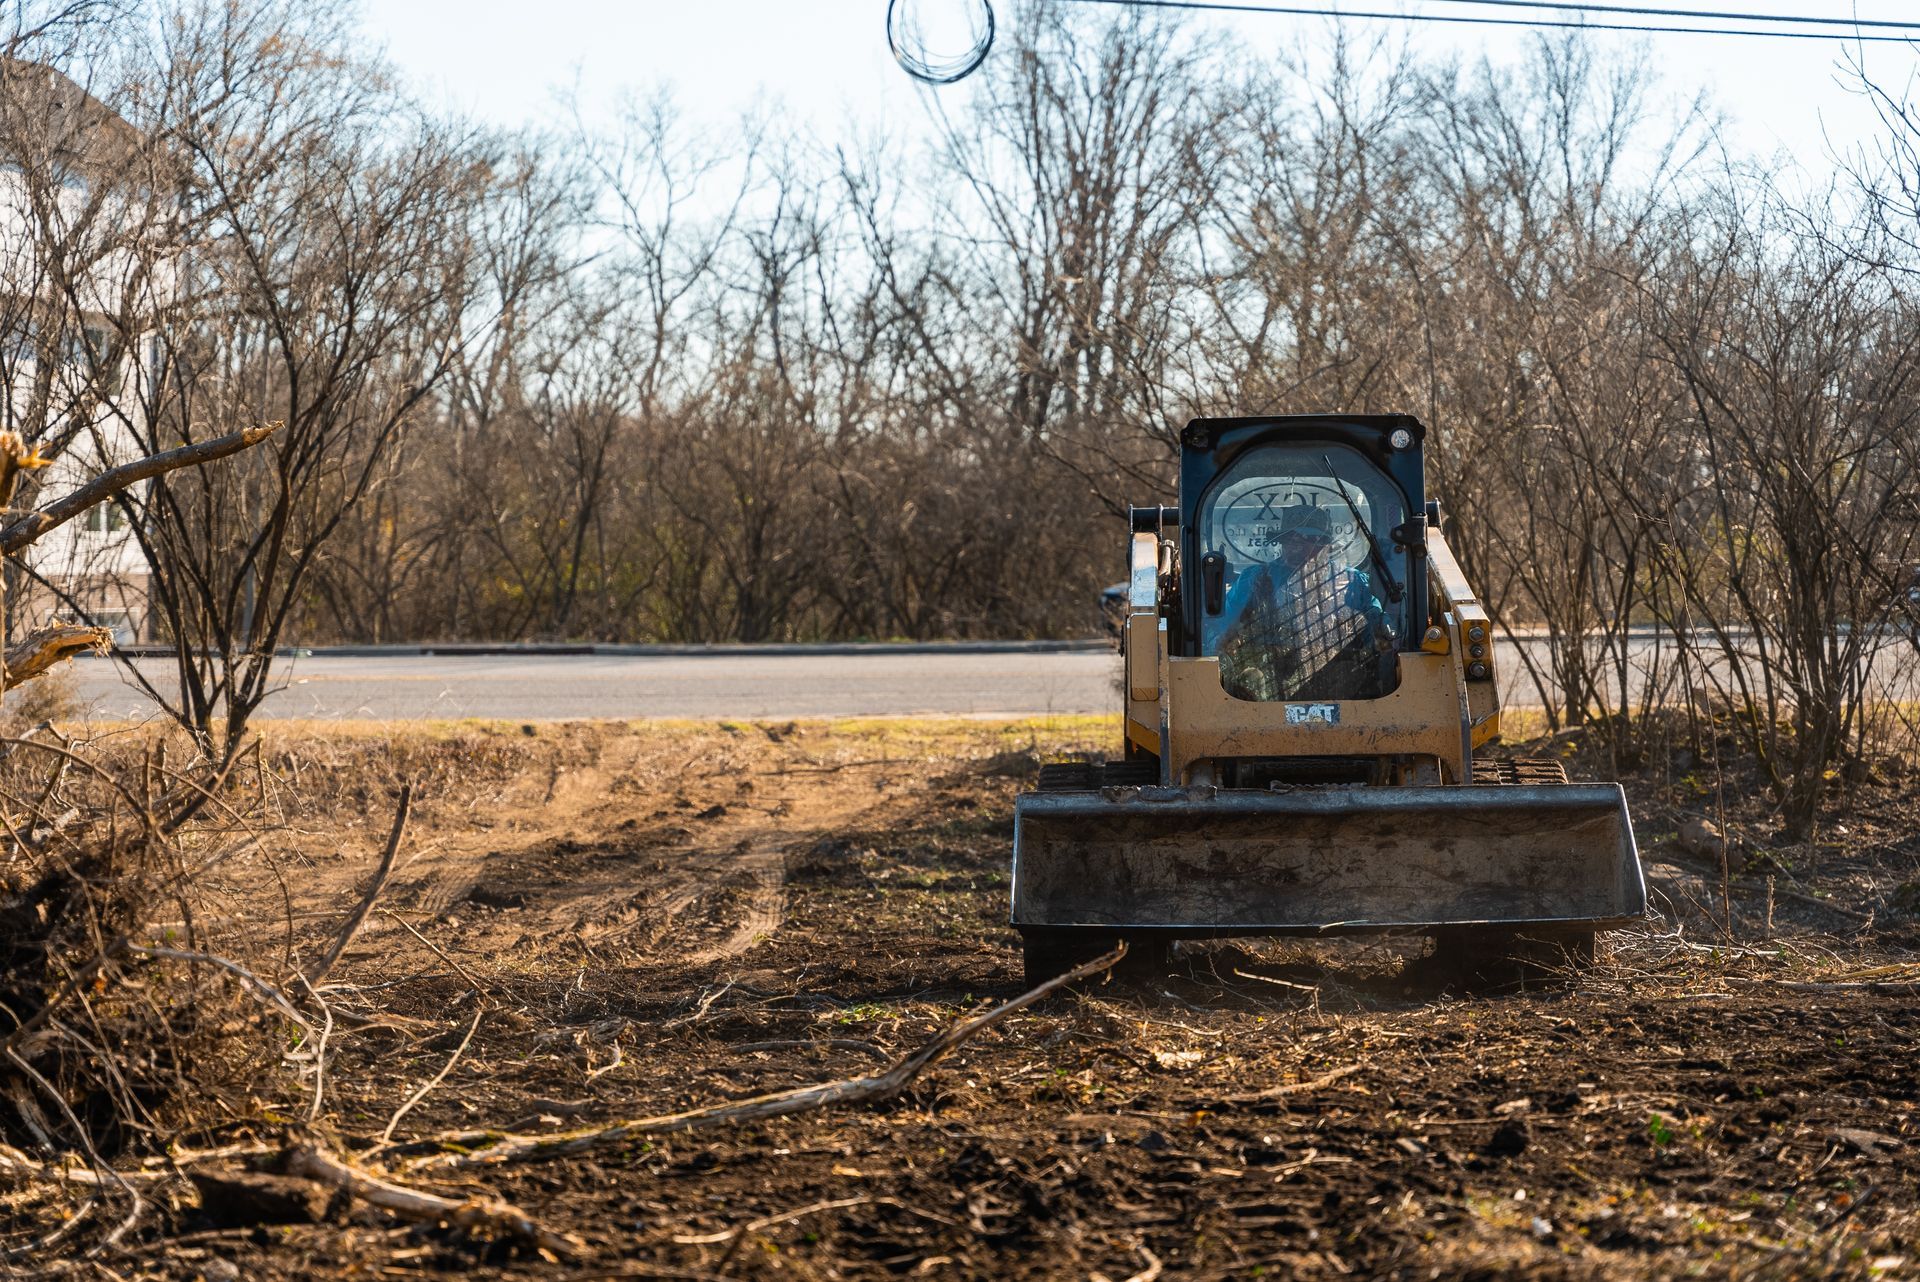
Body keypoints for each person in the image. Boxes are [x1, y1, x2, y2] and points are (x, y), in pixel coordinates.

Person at [1216, 500, 1395, 702]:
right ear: (1281, 541)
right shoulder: (1254, 580)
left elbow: (1376, 623)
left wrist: (1382, 631)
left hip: (1340, 691)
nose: (1296, 545)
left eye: (1308, 538)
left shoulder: (1352, 583)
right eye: (1290, 538)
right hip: (1267, 693)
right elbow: (1221, 628)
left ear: (1324, 545)